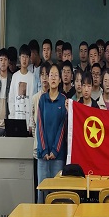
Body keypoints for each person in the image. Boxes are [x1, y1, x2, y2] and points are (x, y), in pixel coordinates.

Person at [36, 62, 67, 203]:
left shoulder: (63, 100)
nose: (53, 78)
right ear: (47, 78)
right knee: (42, 193)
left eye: (56, 75)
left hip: (58, 156)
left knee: (57, 194)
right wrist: (44, 150)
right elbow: (40, 126)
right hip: (43, 155)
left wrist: (55, 150)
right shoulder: (42, 99)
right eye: (51, 75)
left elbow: (63, 127)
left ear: (60, 80)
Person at [8, 44, 36, 133]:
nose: (24, 59)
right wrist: (12, 118)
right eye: (23, 56)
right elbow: (11, 99)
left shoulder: (32, 77)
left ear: (30, 59)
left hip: (28, 122)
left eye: (27, 57)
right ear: (19, 58)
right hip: (16, 120)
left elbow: (33, 101)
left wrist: (31, 123)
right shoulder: (15, 76)